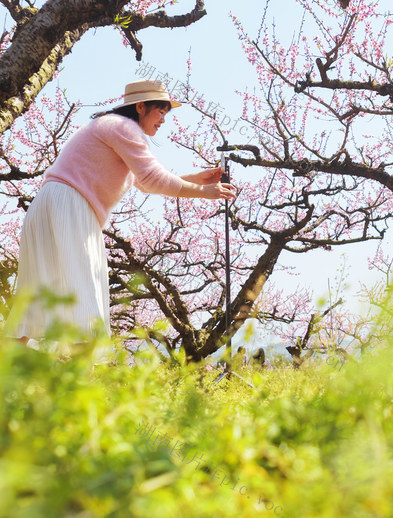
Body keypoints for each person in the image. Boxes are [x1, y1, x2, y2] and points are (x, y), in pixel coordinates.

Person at [10, 79, 236, 342]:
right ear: (140, 107)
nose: (163, 119)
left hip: (48, 203)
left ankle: (12, 367)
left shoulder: (109, 125)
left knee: (32, 303)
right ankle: (85, 369)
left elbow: (142, 181)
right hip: (72, 206)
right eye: (160, 111)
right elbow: (152, 178)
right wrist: (203, 191)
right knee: (86, 301)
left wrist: (196, 179)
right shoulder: (125, 127)